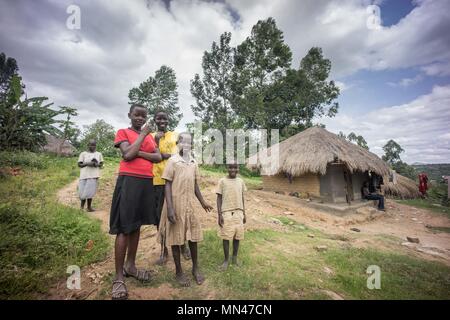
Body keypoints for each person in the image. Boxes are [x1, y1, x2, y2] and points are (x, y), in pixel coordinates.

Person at [109, 104, 162, 300]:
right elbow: (127, 154)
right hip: (129, 182)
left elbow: (157, 157)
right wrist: (141, 138)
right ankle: (119, 277)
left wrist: (138, 151)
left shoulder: (149, 137)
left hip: (145, 183)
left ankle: (130, 266)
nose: (140, 118)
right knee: (124, 228)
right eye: (137, 115)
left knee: (136, 225)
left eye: (143, 116)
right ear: (129, 115)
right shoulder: (123, 132)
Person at [157, 132, 213, 287]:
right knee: (175, 239)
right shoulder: (173, 161)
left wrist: (202, 202)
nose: (186, 145)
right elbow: (167, 183)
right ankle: (179, 271)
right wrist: (169, 208)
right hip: (175, 205)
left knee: (193, 237)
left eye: (189, 143)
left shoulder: (194, 162)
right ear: (178, 143)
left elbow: (195, 185)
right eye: (184, 142)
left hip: (190, 206)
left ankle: (195, 268)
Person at [151, 111, 190, 265]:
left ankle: (183, 245)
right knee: (159, 217)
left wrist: (163, 155)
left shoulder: (175, 135)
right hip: (157, 181)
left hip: (176, 181)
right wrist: (156, 140)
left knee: (179, 214)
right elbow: (151, 154)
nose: (162, 120)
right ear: (154, 120)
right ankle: (164, 251)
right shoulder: (150, 136)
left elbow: (178, 155)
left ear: (168, 120)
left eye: (164, 118)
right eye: (159, 118)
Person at [216, 162, 247, 271]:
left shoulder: (241, 181)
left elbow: (242, 198)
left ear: (238, 168)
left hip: (239, 213)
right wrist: (219, 214)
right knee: (226, 237)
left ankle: (234, 257)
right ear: (227, 168)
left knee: (237, 237)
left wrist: (244, 213)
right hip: (226, 213)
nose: (233, 169)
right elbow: (219, 198)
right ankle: (226, 260)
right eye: (230, 167)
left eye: (235, 167)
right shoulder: (222, 181)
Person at [77, 139, 103, 212]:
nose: (93, 146)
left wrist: (95, 164)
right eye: (91, 145)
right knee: (82, 192)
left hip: (93, 176)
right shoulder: (83, 154)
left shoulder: (99, 154)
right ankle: (81, 208)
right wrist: (88, 163)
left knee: (90, 193)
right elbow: (79, 164)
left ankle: (89, 207)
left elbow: (101, 164)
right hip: (84, 175)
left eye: (94, 145)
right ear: (88, 145)